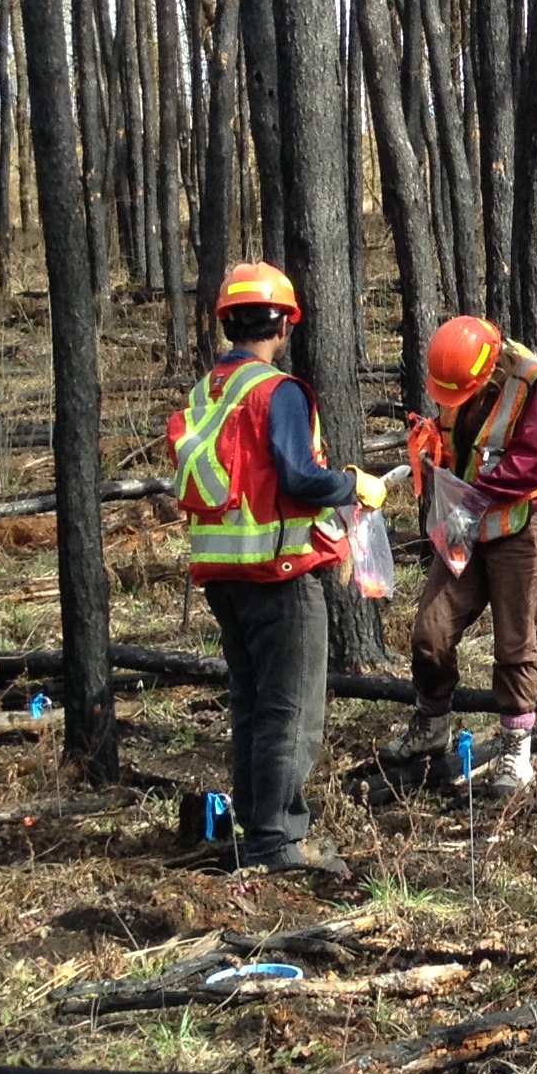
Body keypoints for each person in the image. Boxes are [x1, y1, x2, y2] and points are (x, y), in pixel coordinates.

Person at [169, 261, 386, 884]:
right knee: (291, 711)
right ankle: (276, 840)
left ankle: (256, 827)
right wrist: (352, 484)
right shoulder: (276, 391)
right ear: (285, 324)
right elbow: (298, 477)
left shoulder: (207, 393)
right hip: (280, 574)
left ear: (227, 322)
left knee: (252, 706)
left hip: (224, 575)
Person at [399, 313, 537, 792]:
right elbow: (458, 437)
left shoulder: (533, 382)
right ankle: (432, 724)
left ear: (488, 369)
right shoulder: (456, 374)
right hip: (464, 521)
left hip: (519, 523)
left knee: (515, 644)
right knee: (430, 632)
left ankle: (517, 749)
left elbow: (529, 462)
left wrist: (470, 488)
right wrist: (434, 451)